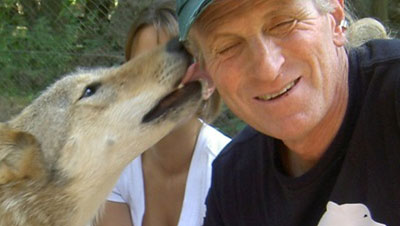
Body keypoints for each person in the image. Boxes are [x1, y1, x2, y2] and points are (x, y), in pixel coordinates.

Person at [176, 0, 400, 225]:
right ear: (206, 72)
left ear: (334, 15)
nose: (268, 69)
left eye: (284, 23)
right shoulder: (235, 181)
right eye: (227, 47)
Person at [96, 1, 230, 226]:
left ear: (206, 77)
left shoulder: (231, 171)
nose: (161, 82)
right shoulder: (113, 167)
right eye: (142, 66)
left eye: (176, 63)